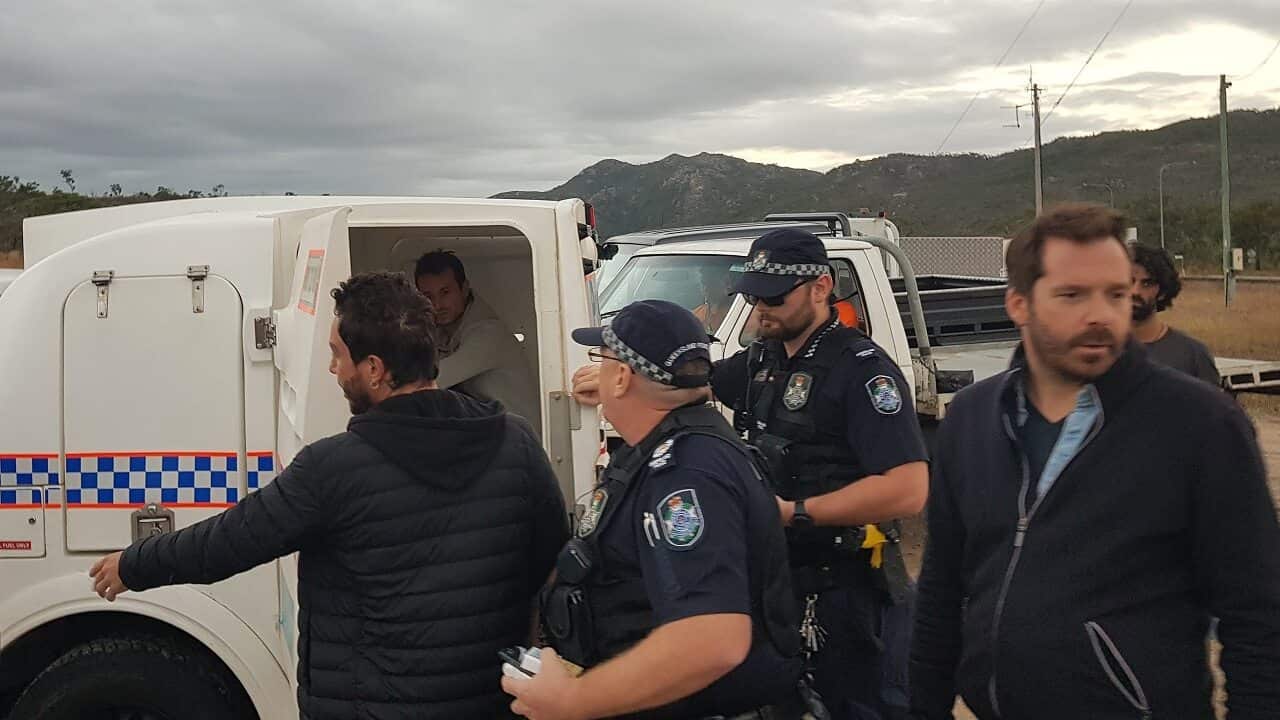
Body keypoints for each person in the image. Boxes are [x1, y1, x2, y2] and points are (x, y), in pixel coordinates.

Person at [90, 271, 570, 720]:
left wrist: (134, 564)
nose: (332, 368)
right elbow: (554, 563)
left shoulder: (333, 468)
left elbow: (231, 540)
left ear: (374, 369)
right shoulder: (516, 442)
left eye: (337, 354)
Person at [909, 203, 1280, 719]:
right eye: (1072, 295)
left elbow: (1258, 616)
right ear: (1018, 304)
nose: (1101, 314)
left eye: (1116, 294)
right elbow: (941, 591)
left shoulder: (1200, 424)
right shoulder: (972, 419)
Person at [504, 300, 811, 720]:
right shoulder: (682, 448)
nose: (599, 372)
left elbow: (713, 639)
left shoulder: (686, 474)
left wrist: (573, 700)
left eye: (602, 360)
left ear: (622, 377)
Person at [713, 228, 929, 720]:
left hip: (850, 591)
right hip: (782, 587)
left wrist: (795, 513)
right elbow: (696, 380)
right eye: (752, 295)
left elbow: (908, 488)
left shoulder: (863, 370)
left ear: (821, 287)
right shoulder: (764, 357)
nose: (760, 309)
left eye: (773, 297)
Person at [415, 250, 542, 435]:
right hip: (491, 432)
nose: (437, 305)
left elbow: (432, 381)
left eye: (445, 292)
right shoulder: (443, 330)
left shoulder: (487, 333)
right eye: (428, 296)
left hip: (517, 440)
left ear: (464, 289)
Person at [1129, 242, 1220, 385]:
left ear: (1163, 292)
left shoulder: (1193, 356)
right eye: (1129, 281)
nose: (1135, 291)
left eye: (1146, 283)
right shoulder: (1100, 353)